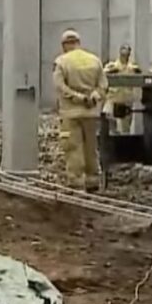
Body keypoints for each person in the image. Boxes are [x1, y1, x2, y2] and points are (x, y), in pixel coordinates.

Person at [52, 29, 107, 191]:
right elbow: (103, 85)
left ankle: (76, 182)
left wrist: (79, 97)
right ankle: (93, 181)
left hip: (71, 114)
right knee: (91, 148)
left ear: (64, 45)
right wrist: (94, 97)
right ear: (78, 43)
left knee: (73, 148)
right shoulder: (94, 60)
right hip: (91, 113)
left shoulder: (61, 62)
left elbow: (60, 87)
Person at [104, 44, 141, 134]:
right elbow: (101, 74)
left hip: (126, 101)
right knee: (109, 120)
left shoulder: (132, 67)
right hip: (113, 100)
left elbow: (140, 75)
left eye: (127, 51)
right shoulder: (112, 66)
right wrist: (110, 71)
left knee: (125, 129)